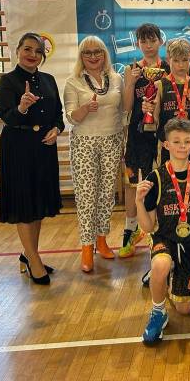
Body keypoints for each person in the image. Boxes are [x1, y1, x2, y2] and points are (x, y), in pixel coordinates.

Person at [0, 32, 63, 285]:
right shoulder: (7, 81)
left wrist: (56, 129)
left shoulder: (48, 80)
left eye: (37, 51)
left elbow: (58, 115)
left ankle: (29, 255)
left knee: (38, 205)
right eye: (27, 49)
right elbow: (7, 117)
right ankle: (34, 261)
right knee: (24, 206)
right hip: (18, 147)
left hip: (44, 147)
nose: (32, 54)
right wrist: (22, 107)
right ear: (18, 51)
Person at [135, 117, 190, 344]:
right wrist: (138, 201)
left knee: (184, 309)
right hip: (165, 238)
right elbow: (148, 226)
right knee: (160, 264)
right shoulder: (156, 177)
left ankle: (170, 277)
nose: (182, 146)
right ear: (166, 145)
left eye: (186, 141)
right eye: (176, 142)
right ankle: (158, 311)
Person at [63, 36, 125, 272]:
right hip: (84, 142)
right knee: (87, 196)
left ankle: (102, 240)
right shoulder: (73, 82)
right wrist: (85, 108)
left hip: (112, 139)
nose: (93, 56)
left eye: (97, 51)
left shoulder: (116, 78)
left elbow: (123, 111)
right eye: (87, 53)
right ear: (81, 56)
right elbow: (71, 117)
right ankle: (87, 247)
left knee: (107, 194)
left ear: (104, 54)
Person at [120, 23, 169, 258]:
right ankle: (129, 232)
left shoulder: (169, 68)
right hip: (138, 134)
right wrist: (131, 82)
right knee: (133, 185)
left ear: (160, 41)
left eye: (152, 40)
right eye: (144, 41)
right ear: (138, 43)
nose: (148, 46)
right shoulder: (131, 69)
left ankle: (159, 232)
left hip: (162, 134)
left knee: (160, 182)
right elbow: (127, 107)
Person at [153, 38, 190, 165]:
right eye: (176, 60)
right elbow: (154, 121)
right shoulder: (159, 85)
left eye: (185, 60)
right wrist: (148, 110)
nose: (181, 65)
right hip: (168, 146)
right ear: (168, 59)